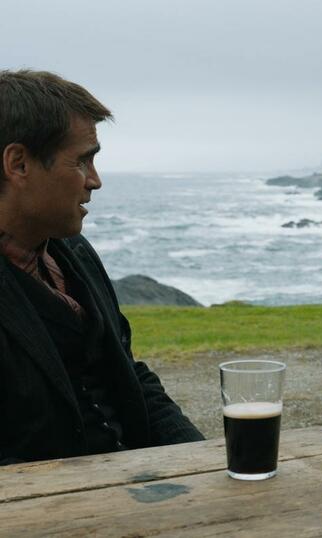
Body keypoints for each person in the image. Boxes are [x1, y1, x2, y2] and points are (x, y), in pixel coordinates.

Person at [0, 70, 204, 465]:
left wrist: (203, 460)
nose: (95, 181)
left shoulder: (73, 252)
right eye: (82, 161)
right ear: (19, 163)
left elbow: (128, 375)